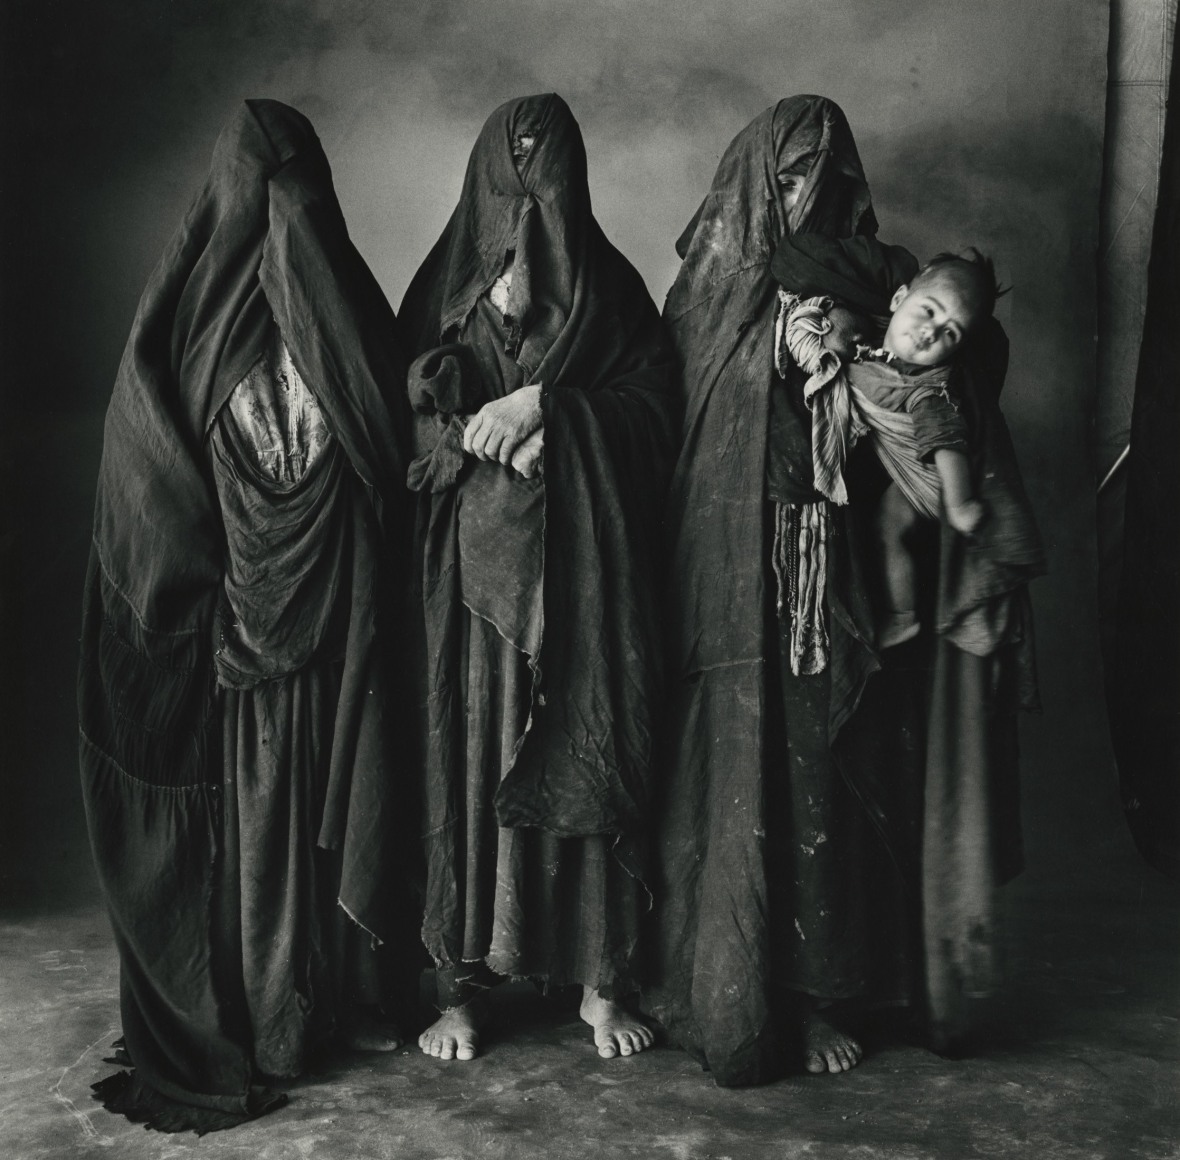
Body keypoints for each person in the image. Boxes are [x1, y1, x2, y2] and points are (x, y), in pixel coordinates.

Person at [643, 97, 1045, 1087]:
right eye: (785, 179)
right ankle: (723, 977)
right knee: (728, 765)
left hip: (839, 583)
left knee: (827, 768)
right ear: (753, 180)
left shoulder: (886, 285)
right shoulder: (707, 290)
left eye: (823, 181)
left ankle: (826, 990)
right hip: (724, 569)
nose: (803, 198)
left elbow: (949, 387)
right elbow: (675, 422)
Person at [79, 100, 419, 1132]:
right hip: (229, 644)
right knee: (248, 830)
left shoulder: (346, 313)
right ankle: (262, 1013)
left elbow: (386, 452)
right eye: (264, 195)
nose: (285, 220)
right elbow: (149, 488)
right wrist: (213, 593)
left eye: (301, 196)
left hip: (339, 634)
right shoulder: (182, 332)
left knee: (329, 810)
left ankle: (328, 999)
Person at [400, 93, 678, 1064]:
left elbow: (655, 416)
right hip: (473, 597)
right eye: (512, 180)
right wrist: (477, 438)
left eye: (547, 181)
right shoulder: (444, 292)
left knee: (587, 751)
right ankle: (462, 988)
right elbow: (404, 423)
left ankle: (601, 980)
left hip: (586, 587)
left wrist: (554, 409)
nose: (529, 206)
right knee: (469, 768)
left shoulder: (613, 294)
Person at [778, 249, 1009, 647]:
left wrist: (960, 505)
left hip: (930, 481)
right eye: (929, 311)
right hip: (903, 467)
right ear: (899, 299)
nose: (930, 333)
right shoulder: (876, 349)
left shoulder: (927, 390)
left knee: (889, 529)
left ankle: (902, 616)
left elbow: (947, 445)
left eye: (950, 332)